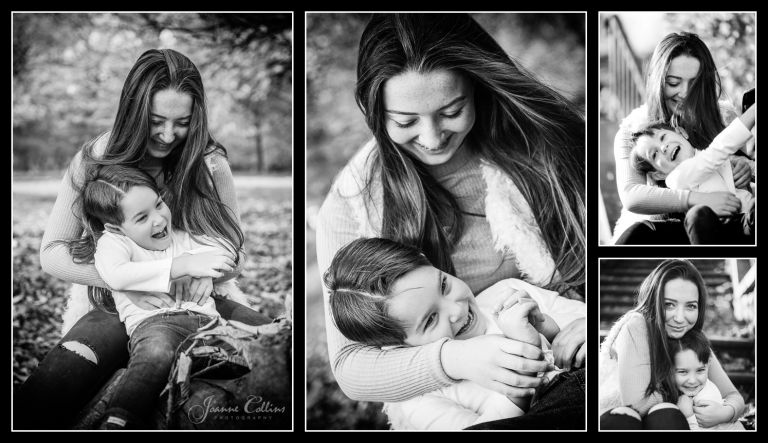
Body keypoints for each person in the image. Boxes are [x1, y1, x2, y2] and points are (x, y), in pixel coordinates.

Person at [315, 13, 586, 428]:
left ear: (476, 86)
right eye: (405, 122)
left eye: (451, 110)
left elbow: (616, 252)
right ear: (375, 114)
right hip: (466, 400)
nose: (432, 136)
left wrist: (592, 323)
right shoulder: (355, 201)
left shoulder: (548, 146)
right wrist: (455, 359)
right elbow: (351, 366)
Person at [15, 48, 265, 429]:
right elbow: (52, 253)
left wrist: (203, 273)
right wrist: (137, 276)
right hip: (116, 304)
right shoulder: (96, 159)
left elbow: (237, 252)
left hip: (201, 300)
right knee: (48, 395)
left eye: (182, 122)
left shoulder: (210, 163)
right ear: (133, 112)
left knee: (276, 362)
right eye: (155, 121)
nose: (168, 135)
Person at [66, 165, 260, 429]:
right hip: (157, 324)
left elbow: (228, 250)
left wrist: (205, 271)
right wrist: (181, 266)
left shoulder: (181, 237)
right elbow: (117, 276)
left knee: (254, 354)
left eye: (158, 204)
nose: (158, 219)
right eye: (142, 217)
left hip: (209, 325)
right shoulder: (115, 244)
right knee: (155, 355)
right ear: (116, 226)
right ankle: (120, 418)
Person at [324, 237, 585, 429]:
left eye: (444, 285)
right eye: (430, 320)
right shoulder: (419, 400)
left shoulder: (508, 292)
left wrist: (548, 328)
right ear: (398, 347)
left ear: (430, 263)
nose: (457, 310)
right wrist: (517, 388)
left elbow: (588, 326)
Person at [612, 32, 754, 244]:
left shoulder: (722, 116)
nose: (685, 93)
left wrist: (745, 167)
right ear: (658, 80)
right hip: (671, 229)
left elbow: (737, 164)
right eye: (673, 83)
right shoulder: (633, 133)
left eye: (694, 83)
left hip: (731, 222)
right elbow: (632, 194)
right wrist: (699, 200)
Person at [599, 260, 745, 430]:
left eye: (690, 306)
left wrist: (726, 412)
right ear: (654, 300)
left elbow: (733, 395)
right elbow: (636, 404)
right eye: (669, 304)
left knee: (666, 414)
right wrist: (680, 395)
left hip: (668, 421)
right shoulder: (637, 326)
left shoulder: (691, 339)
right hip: (620, 420)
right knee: (664, 413)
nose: (680, 318)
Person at [628, 103, 756, 244]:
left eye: (663, 137)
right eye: (654, 154)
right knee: (698, 216)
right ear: (659, 175)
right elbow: (717, 151)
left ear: (682, 132)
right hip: (723, 231)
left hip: (748, 218)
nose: (663, 148)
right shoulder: (676, 179)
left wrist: (746, 174)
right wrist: (752, 112)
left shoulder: (719, 159)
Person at [669, 330, 746, 430]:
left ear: (709, 364)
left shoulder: (705, 399)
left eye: (700, 370)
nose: (692, 380)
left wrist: (689, 417)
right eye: (683, 372)